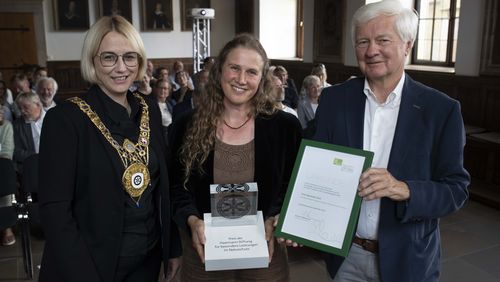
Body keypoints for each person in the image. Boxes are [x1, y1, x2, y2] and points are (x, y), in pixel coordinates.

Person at [313, 2, 470, 281]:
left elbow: (455, 191)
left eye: (383, 40)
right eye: (363, 41)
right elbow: (316, 169)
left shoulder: (440, 110)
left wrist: (404, 188)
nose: (371, 50)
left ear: (407, 45)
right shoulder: (334, 100)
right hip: (346, 257)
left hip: (408, 259)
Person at [38, 15, 181, 282]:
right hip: (90, 265)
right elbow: (55, 211)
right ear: (93, 60)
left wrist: (171, 247)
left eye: (129, 57)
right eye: (108, 57)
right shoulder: (65, 120)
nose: (121, 67)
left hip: (147, 261)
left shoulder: (148, 107)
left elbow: (163, 185)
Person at [169, 33, 302, 281]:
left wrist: (276, 216)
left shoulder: (285, 127)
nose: (241, 79)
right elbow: (177, 187)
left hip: (265, 251)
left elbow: (293, 185)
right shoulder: (186, 125)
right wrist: (192, 219)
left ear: (262, 79)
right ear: (220, 71)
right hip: (204, 251)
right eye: (234, 68)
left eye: (252, 72)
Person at [13, 91, 45, 171]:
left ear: (37, 105)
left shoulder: (52, 120)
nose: (22, 111)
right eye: (20, 108)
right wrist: (38, 157)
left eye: (25, 107)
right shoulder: (17, 125)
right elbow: (16, 151)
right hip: (30, 168)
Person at [0, 106, 15, 246]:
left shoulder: (6, 127)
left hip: (2, 165)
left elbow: (7, 152)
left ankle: (6, 227)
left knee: (4, 172)